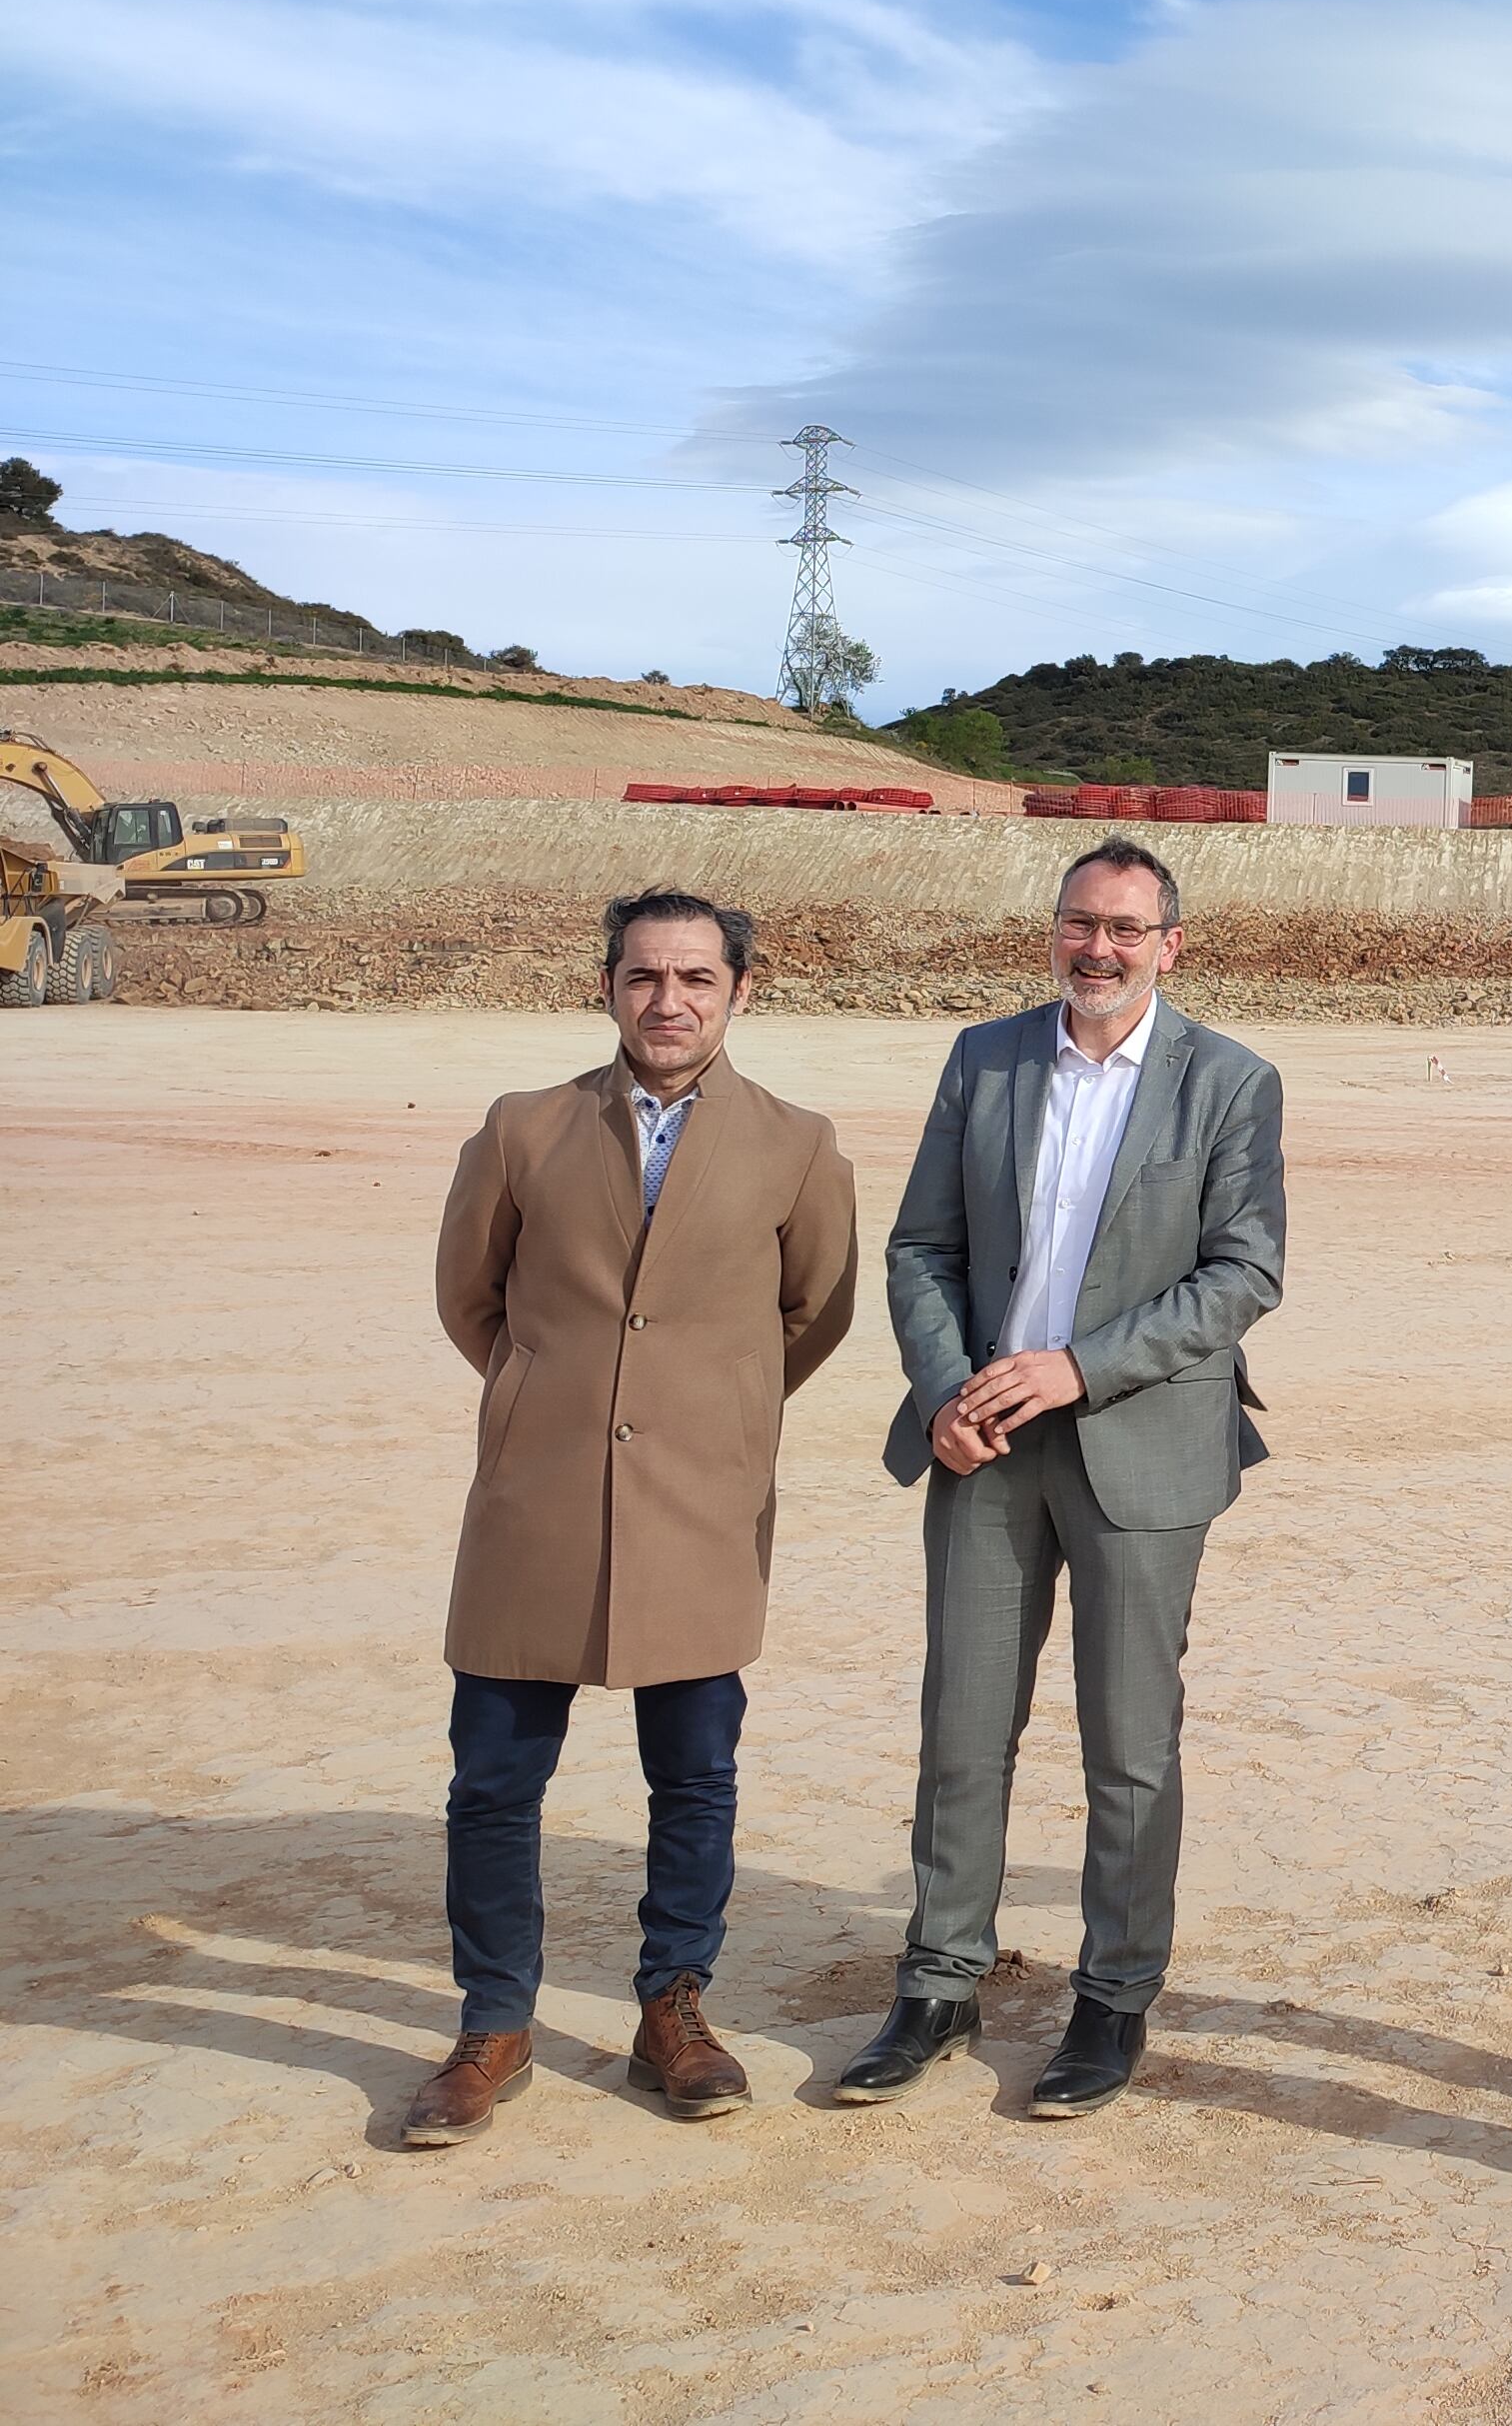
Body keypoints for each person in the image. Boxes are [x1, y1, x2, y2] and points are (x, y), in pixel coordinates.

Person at [408, 890, 859, 2148]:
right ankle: (494, 2026)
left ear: (741, 991)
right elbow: (470, 1297)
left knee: (695, 1774)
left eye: (697, 978)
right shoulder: (523, 1127)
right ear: (606, 986)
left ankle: (674, 2010)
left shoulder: (798, 1144)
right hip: (536, 1497)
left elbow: (812, 1313)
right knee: (494, 1779)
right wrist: (546, 1395)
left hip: (702, 1502)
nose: (670, 1001)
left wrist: (707, 1409)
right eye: (645, 977)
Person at [841, 839, 1286, 2118]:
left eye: (1126, 930)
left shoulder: (1230, 1081)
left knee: (1129, 1745)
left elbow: (1242, 1273)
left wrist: (1077, 1369)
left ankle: (1113, 1997)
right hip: (982, 1440)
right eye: (1080, 923)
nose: (1098, 949)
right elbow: (921, 1249)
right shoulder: (984, 1059)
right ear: (1055, 930)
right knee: (962, 1727)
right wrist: (947, 1391)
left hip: (1138, 1443)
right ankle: (938, 1983)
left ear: (1169, 946)